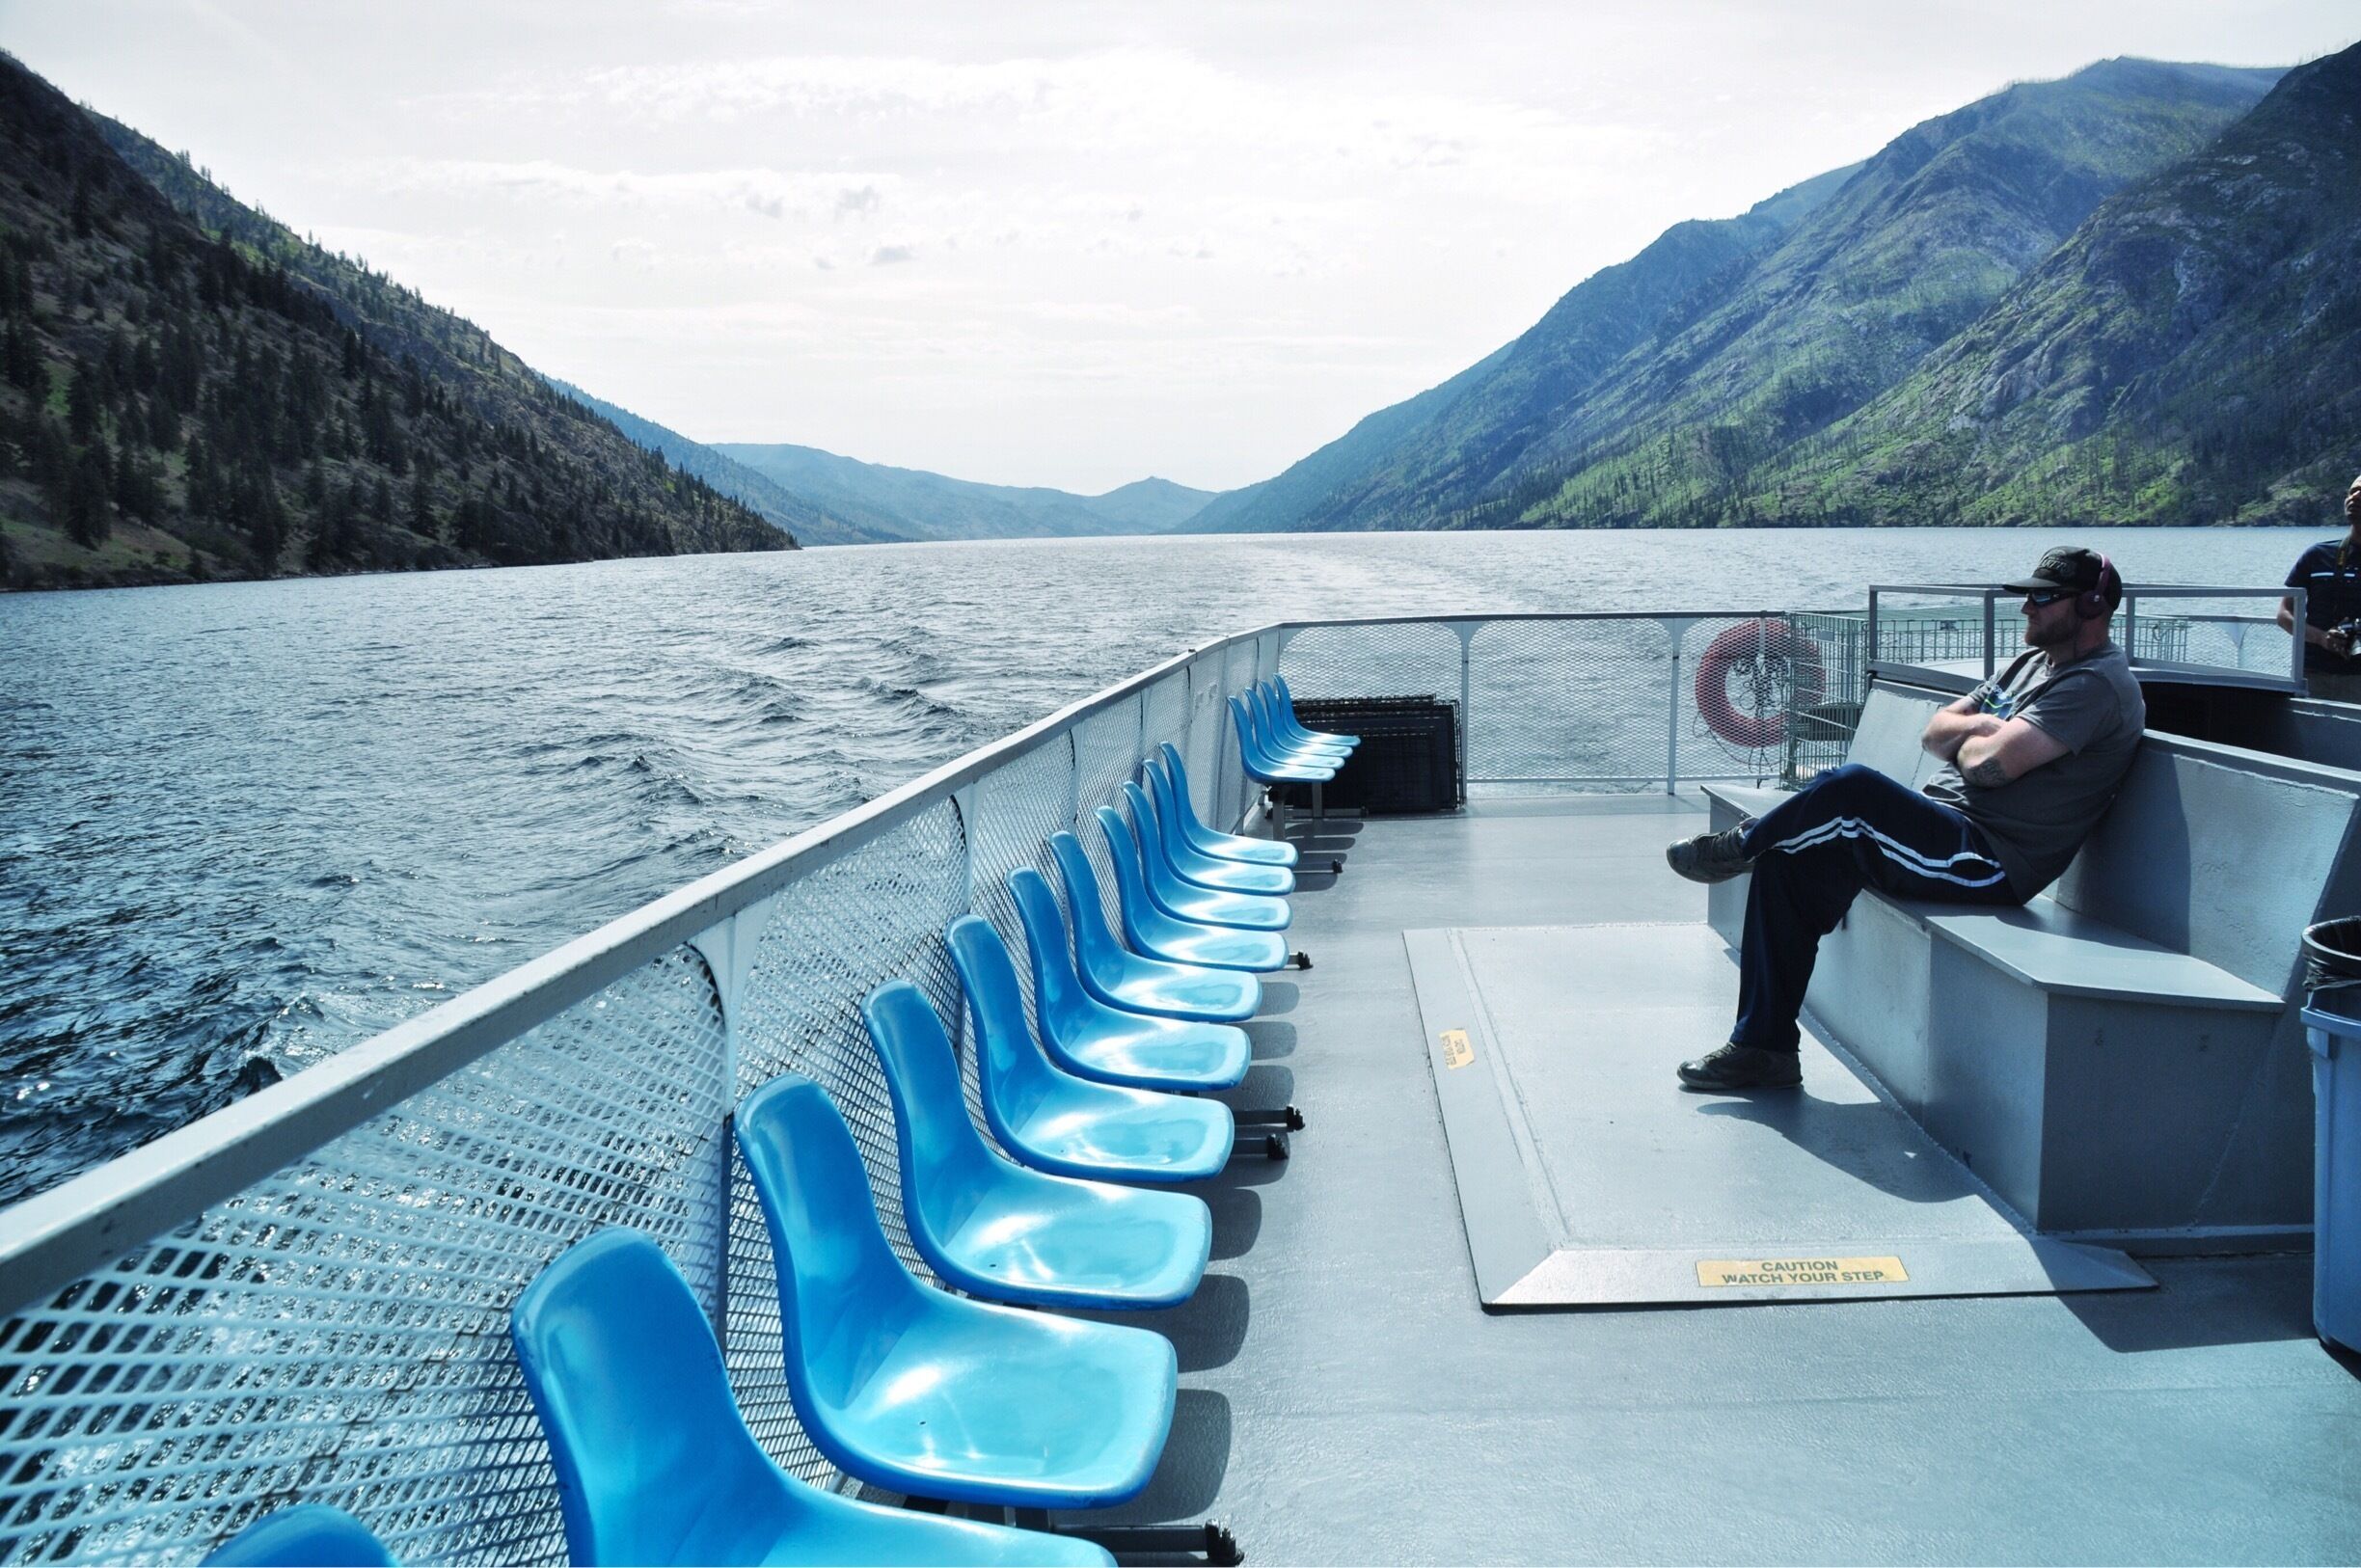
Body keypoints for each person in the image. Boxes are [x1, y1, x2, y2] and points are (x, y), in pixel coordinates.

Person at [1663, 547, 2146, 1091]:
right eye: (2026, 596)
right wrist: (1981, 730)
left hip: (1988, 860)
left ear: (2091, 605)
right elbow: (1934, 733)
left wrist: (1975, 740)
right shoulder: (2030, 665)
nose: (2026, 608)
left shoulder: (2094, 685)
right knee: (1788, 864)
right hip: (1943, 831)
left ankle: (1736, 848)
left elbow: (1989, 767)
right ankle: (1763, 1050)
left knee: (1852, 788)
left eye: (2043, 597)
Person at [2278, 473, 2361, 702]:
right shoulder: (2318, 555)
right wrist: (2322, 638)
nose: (2355, 497)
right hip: (2312, 675)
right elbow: (2284, 615)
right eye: (2352, 491)